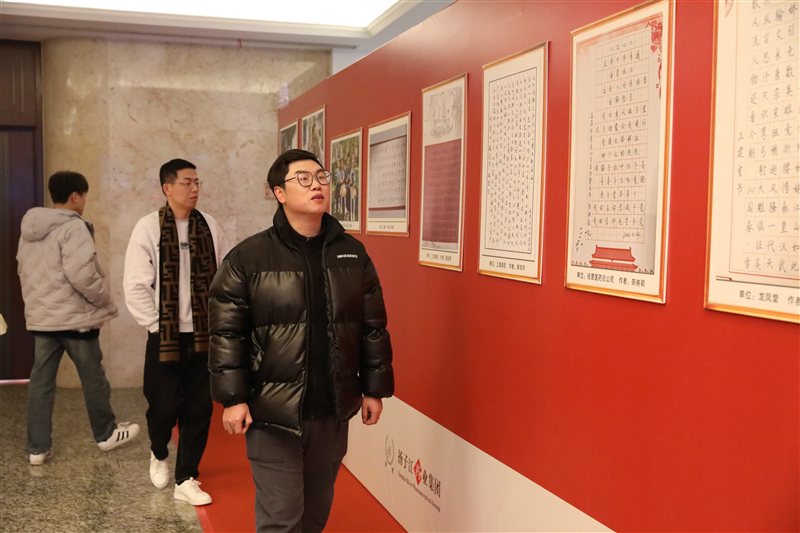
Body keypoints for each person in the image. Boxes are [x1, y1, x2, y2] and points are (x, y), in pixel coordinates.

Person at [208, 149, 394, 533]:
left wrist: (374, 390)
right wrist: (233, 398)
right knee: (281, 518)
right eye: (304, 179)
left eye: (322, 177)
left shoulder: (352, 254)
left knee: (315, 513)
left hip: (331, 409)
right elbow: (227, 333)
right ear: (279, 193)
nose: (317, 185)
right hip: (272, 412)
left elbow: (372, 326)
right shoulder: (249, 257)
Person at [123, 158, 229, 506]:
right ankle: (158, 451)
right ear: (167, 188)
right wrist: (156, 326)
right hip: (165, 336)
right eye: (187, 182)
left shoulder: (209, 225)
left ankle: (186, 477)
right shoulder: (148, 228)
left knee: (199, 408)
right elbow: (135, 284)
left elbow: (224, 275)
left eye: (197, 182)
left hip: (204, 334)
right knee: (163, 406)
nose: (194, 189)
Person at [16, 171, 140, 466]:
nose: (84, 202)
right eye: (84, 196)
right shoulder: (74, 227)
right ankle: (106, 433)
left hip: (43, 319)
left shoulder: (30, 229)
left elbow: (23, 269)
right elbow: (82, 275)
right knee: (93, 377)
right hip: (76, 319)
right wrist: (105, 300)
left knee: (41, 382)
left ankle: (37, 448)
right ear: (75, 196)